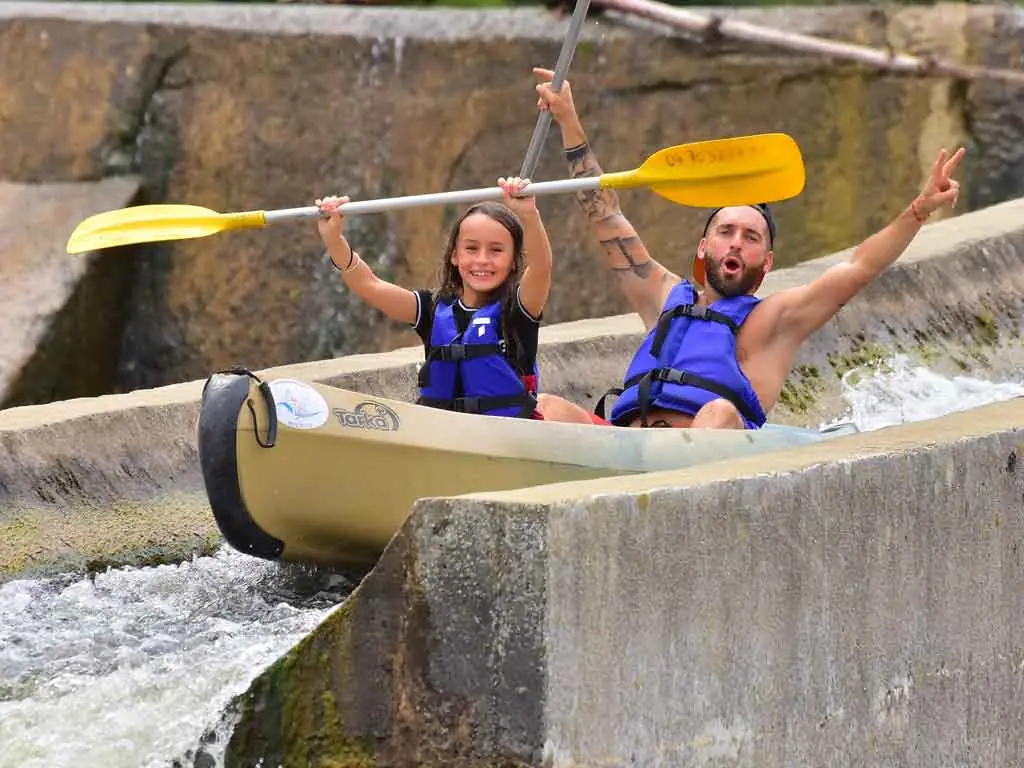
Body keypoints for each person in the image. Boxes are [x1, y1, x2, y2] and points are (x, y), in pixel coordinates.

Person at [530, 66, 964, 430]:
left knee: (718, 411)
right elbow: (605, 215)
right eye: (726, 231)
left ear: (766, 262)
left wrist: (919, 210)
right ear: (704, 246)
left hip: (707, 444)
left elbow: (858, 267)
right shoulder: (663, 296)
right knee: (547, 406)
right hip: (624, 441)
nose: (736, 240)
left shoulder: (776, 321)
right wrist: (569, 120)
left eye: (751, 237)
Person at [316, 176, 553, 419]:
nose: (482, 259)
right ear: (454, 256)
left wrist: (529, 214)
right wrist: (334, 240)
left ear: (514, 261)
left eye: (496, 250)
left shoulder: (518, 308)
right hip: (443, 431)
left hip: (507, 431)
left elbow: (541, 268)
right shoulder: (432, 308)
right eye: (471, 248)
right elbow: (370, 285)